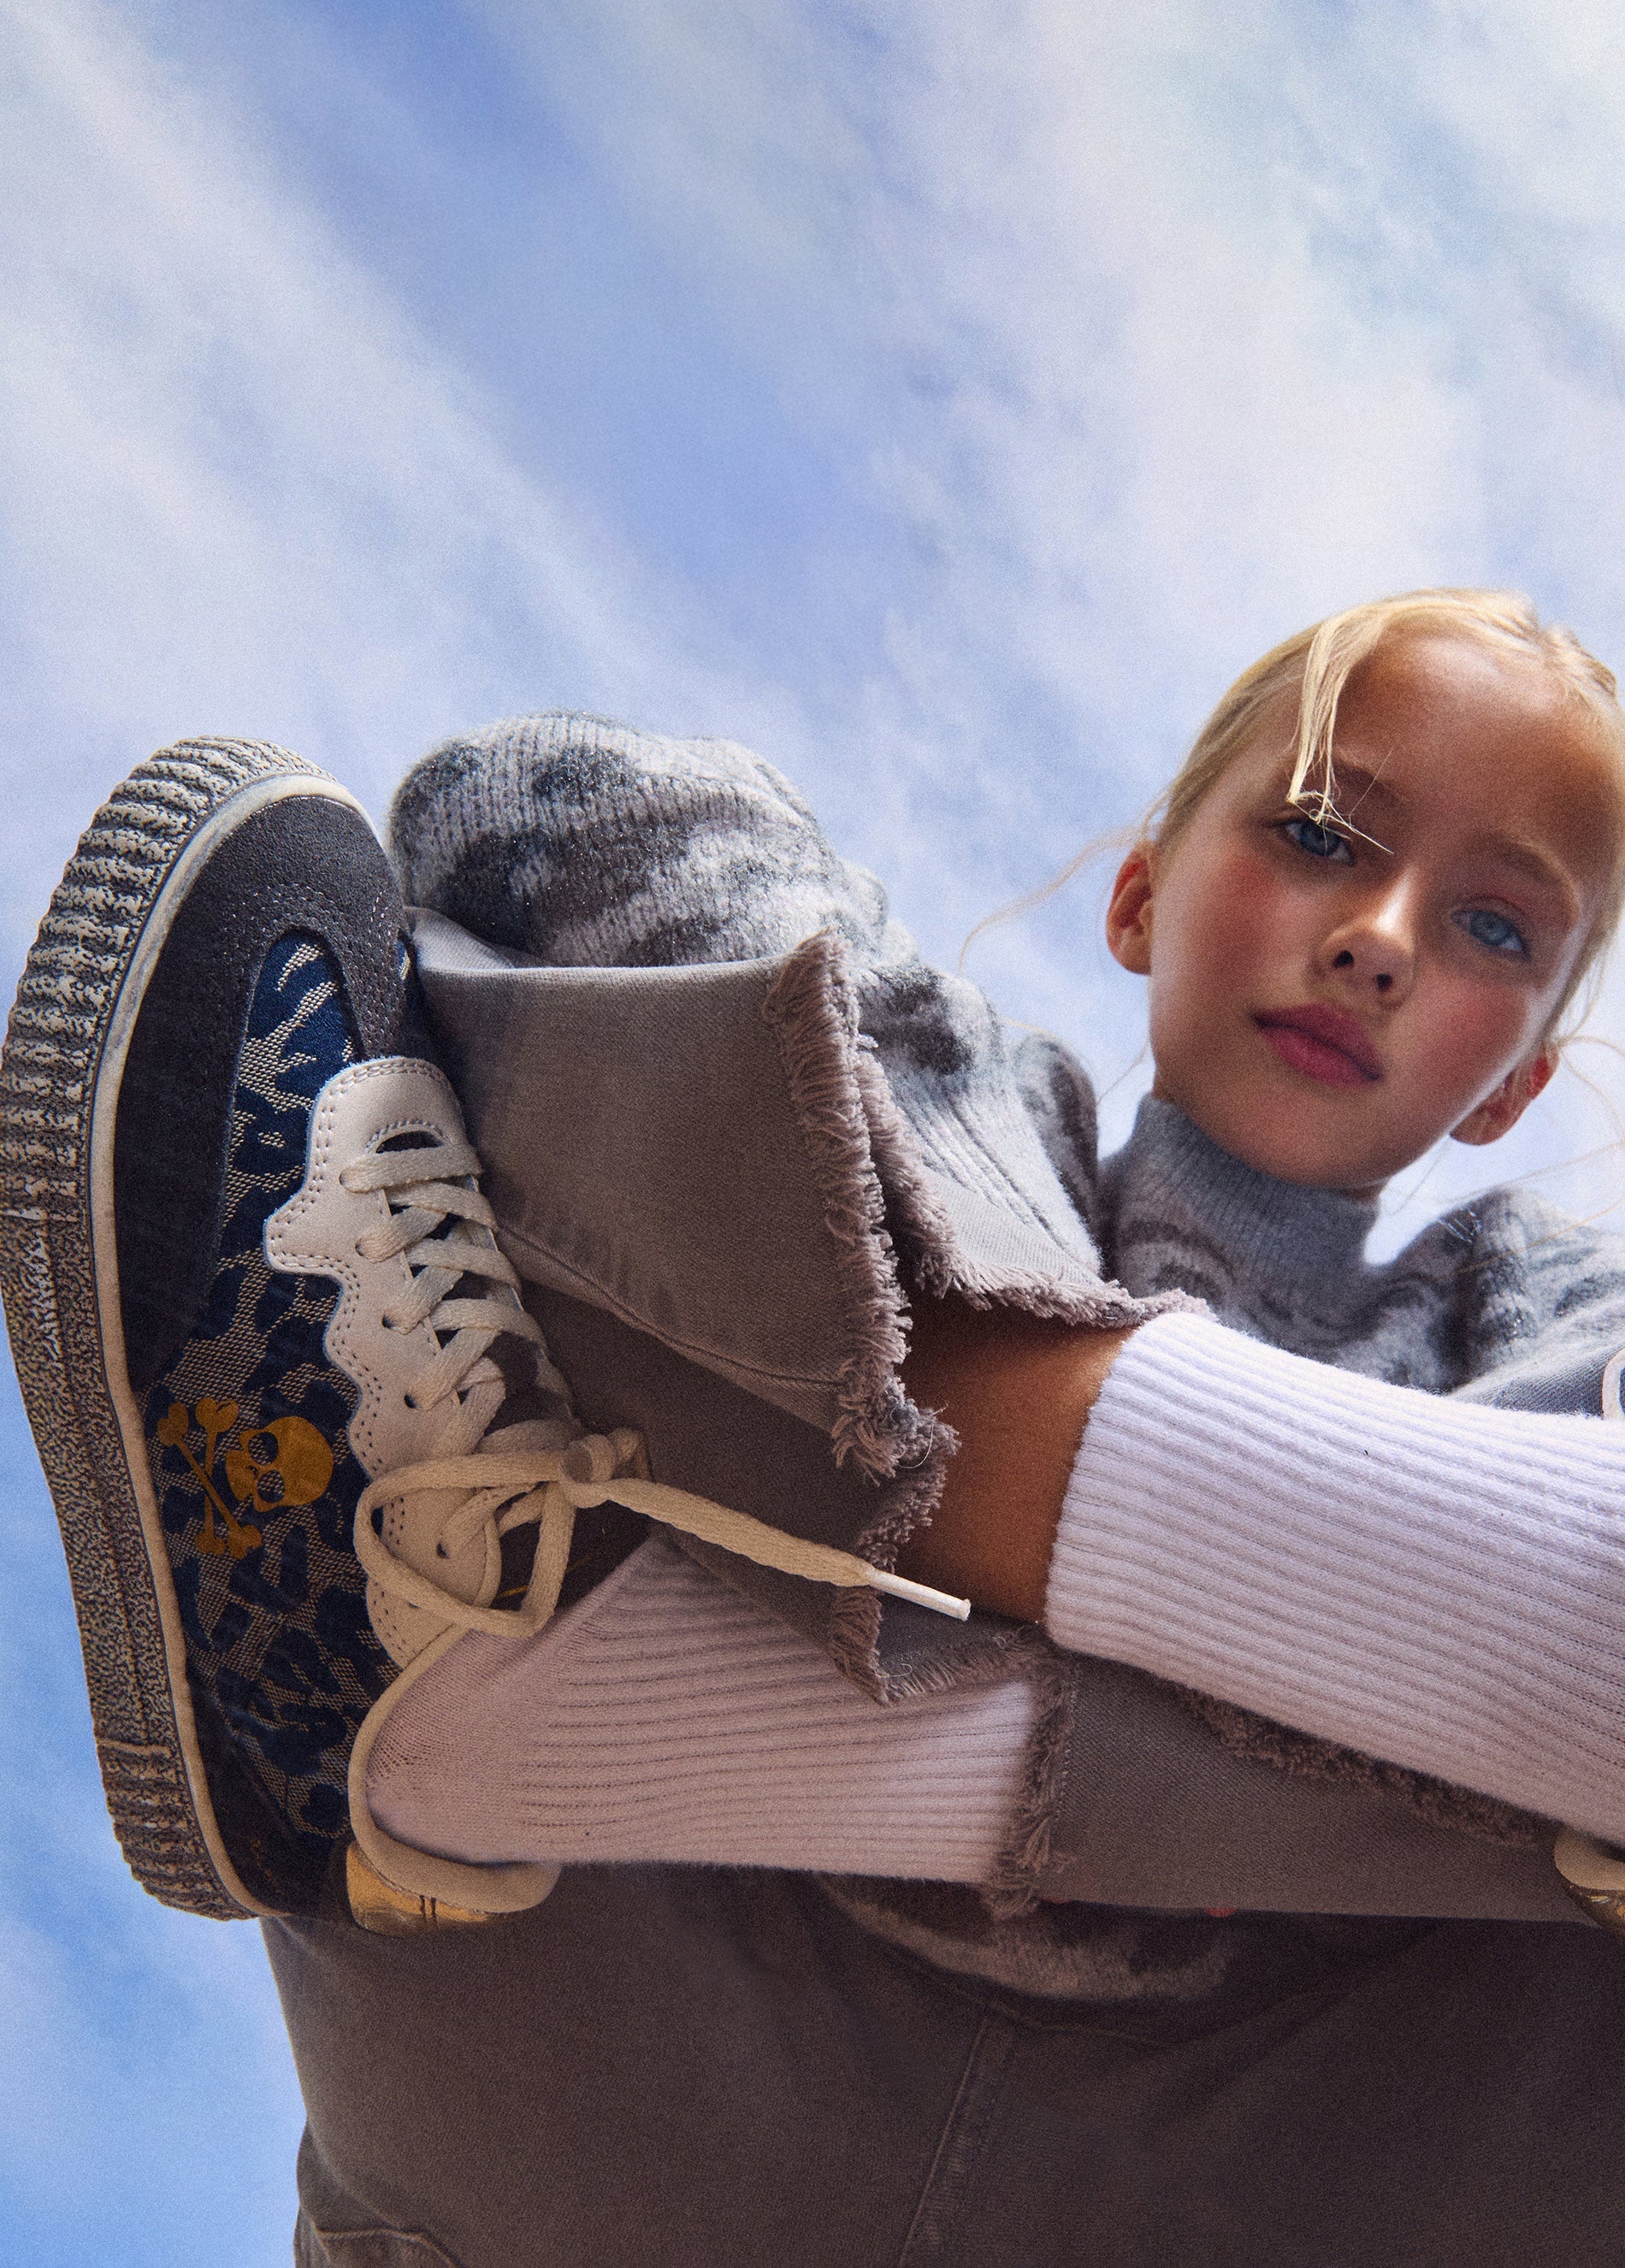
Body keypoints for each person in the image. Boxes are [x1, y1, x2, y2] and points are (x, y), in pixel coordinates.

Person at [5, 592, 1625, 2265]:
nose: (1378, 932)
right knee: (658, 948)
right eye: (1313, 830)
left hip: (1265, 2170)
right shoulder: (947, 1093)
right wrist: (1341, 1656)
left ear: (1509, 1086)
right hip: (631, 2060)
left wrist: (886, 1416)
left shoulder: (1538, 1316)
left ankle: (468, 1705)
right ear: (1139, 894)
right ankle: (532, 1657)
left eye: (1494, 928)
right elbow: (526, 811)